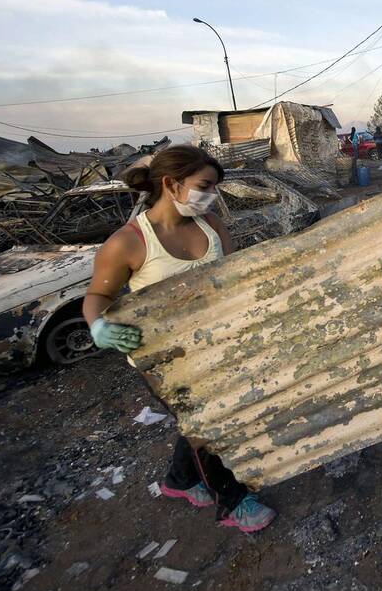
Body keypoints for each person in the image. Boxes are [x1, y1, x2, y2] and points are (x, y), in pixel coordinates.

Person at [82, 145, 277, 533]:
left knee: (196, 422)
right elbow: (97, 297)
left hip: (218, 345)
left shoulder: (210, 225)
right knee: (207, 425)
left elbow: (232, 277)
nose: (212, 196)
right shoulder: (130, 242)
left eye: (215, 188)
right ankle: (232, 502)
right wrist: (97, 326)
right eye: (204, 186)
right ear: (171, 184)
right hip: (166, 361)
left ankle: (179, 481)